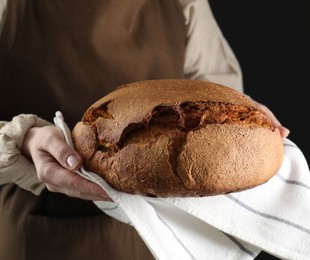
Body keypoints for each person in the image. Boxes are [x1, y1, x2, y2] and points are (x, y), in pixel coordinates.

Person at [0, 0, 289, 259]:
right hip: (49, 233)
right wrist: (23, 139)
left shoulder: (186, 4)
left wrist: (247, 112)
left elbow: (215, 91)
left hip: (171, 238)